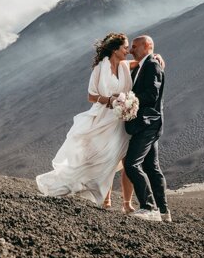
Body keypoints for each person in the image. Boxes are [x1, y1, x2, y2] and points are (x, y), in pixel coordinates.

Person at [35, 33, 134, 208]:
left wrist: (157, 56)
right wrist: (110, 100)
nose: (128, 50)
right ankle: (103, 197)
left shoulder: (125, 66)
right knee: (100, 157)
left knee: (113, 157)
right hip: (101, 119)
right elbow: (91, 96)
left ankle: (118, 201)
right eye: (125, 47)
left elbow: (144, 61)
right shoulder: (98, 69)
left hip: (118, 122)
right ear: (114, 49)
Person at [123, 35, 170, 222]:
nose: (131, 50)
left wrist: (128, 101)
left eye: (134, 47)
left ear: (146, 46)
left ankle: (149, 207)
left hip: (148, 123)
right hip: (145, 123)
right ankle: (164, 211)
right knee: (152, 167)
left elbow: (152, 94)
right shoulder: (143, 65)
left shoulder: (152, 65)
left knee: (132, 164)